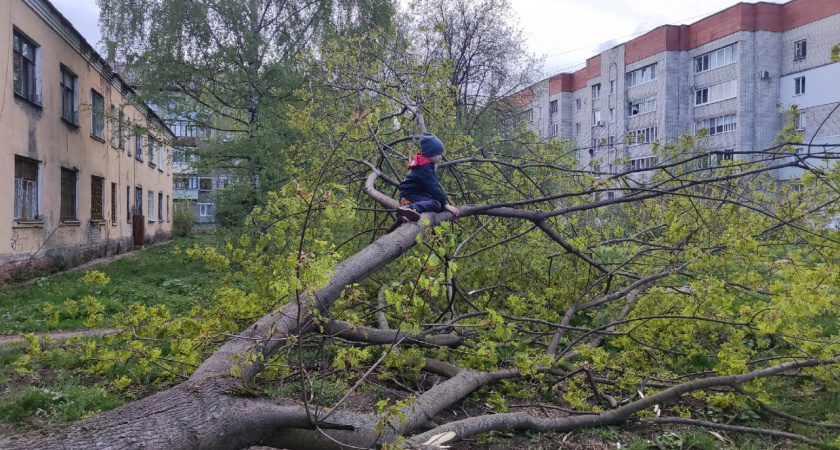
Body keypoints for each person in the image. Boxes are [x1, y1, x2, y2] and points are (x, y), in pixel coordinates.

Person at [397, 132, 460, 222]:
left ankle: (407, 214)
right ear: (431, 154)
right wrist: (445, 204)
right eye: (438, 154)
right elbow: (433, 187)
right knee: (436, 204)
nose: (440, 157)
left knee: (437, 205)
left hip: (407, 196)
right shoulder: (425, 167)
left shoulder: (421, 164)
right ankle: (410, 208)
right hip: (411, 196)